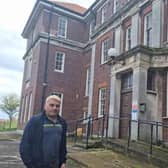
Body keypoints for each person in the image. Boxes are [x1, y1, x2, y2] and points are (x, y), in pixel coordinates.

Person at [20, 95, 67, 168]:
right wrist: (30, 165)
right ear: (45, 106)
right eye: (51, 105)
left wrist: (63, 161)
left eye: (57, 106)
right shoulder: (35, 121)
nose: (54, 108)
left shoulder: (62, 123)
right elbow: (25, 145)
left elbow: (63, 145)